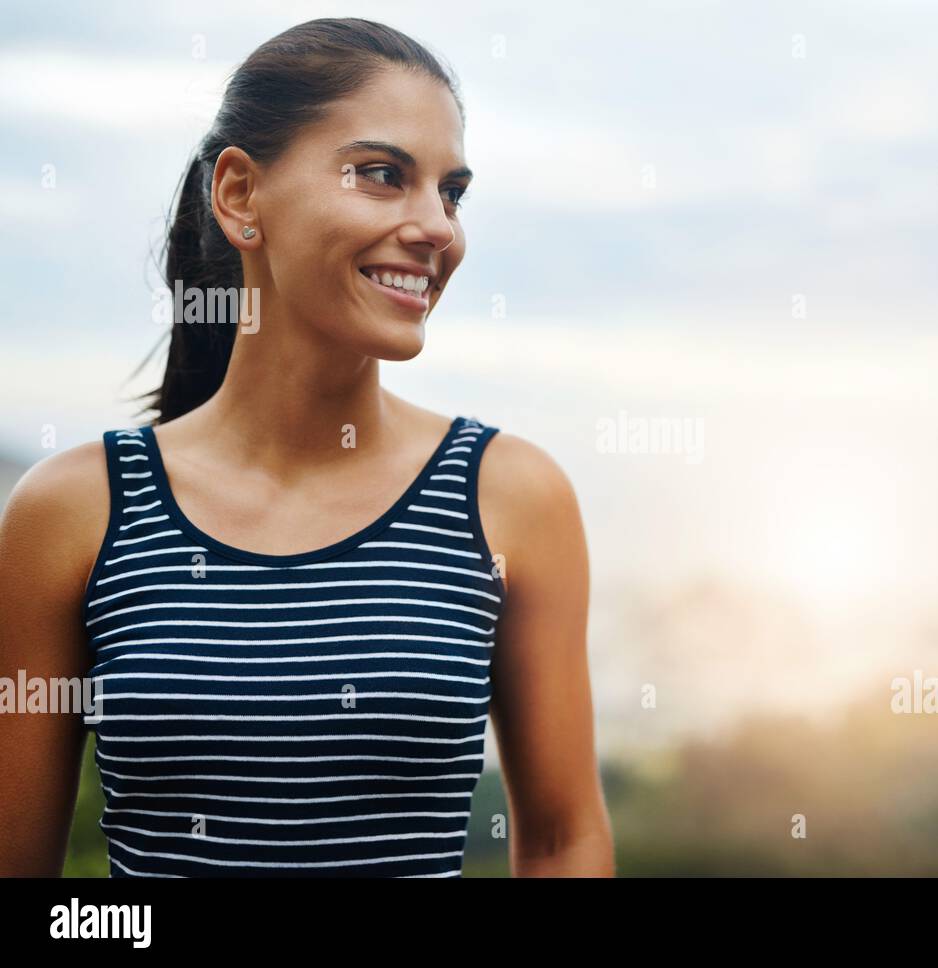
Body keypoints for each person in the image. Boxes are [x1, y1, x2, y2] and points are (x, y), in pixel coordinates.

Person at [0, 17, 613, 877]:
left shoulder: (511, 495)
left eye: (452, 191)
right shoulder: (74, 512)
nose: (438, 227)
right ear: (241, 195)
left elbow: (561, 841)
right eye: (381, 175)